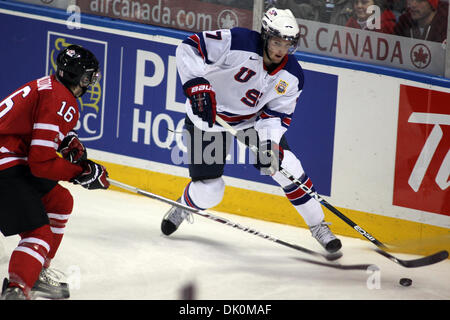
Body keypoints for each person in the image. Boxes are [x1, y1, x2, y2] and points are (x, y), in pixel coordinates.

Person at [161, 8, 342, 254]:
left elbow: (277, 114)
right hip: (210, 118)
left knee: (286, 166)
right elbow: (190, 47)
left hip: (250, 123)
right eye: (277, 42)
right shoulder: (237, 41)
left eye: (287, 44)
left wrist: (268, 144)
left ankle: (318, 225)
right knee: (209, 192)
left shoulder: (293, 76)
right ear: (265, 36)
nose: (280, 50)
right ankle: (185, 204)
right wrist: (195, 84)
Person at [0, 45, 110, 300]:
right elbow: (40, 163)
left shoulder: (50, 87)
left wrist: (65, 139)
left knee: (61, 202)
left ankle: (35, 271)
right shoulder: (62, 99)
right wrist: (81, 172)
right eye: (88, 77)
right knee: (39, 232)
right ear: (77, 77)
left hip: (11, 158)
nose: (90, 82)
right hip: (6, 164)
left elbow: (34, 127)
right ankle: (17, 289)